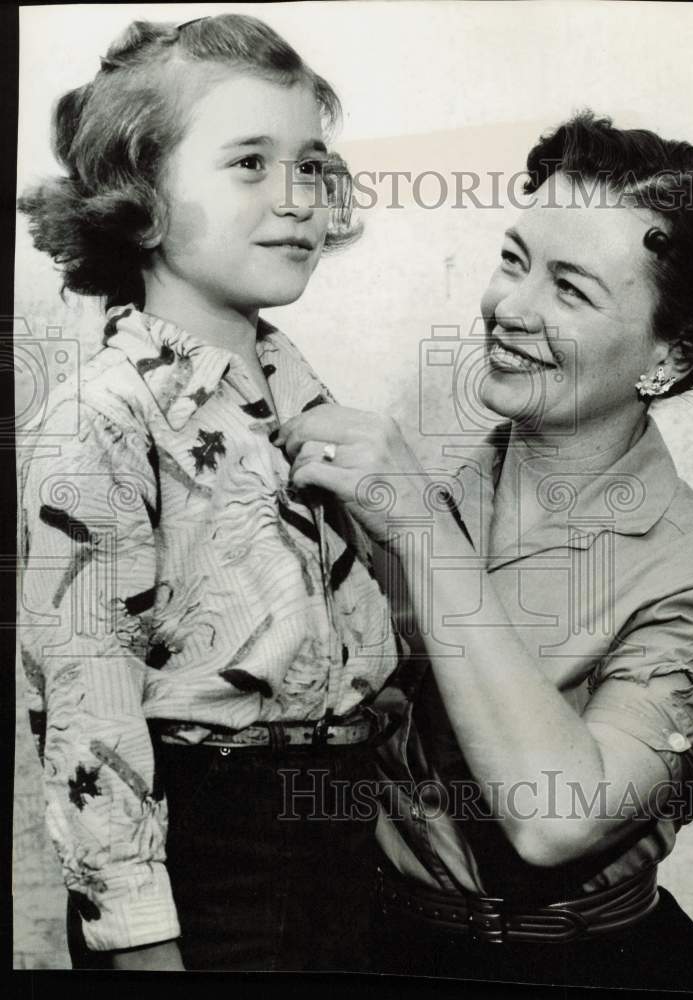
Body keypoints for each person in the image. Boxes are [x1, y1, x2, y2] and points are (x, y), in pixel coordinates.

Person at [273, 112, 693, 992]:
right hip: (374, 949)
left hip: (591, 971)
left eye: (571, 289)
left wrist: (424, 534)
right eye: (515, 259)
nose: (510, 307)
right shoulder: (397, 494)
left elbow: (558, 819)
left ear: (672, 353)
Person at [17, 14, 401, 972]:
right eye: (248, 164)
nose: (298, 198)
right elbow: (87, 701)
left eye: (311, 164)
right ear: (138, 196)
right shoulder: (102, 416)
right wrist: (142, 935)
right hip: (210, 858)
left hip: (348, 838)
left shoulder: (304, 394)